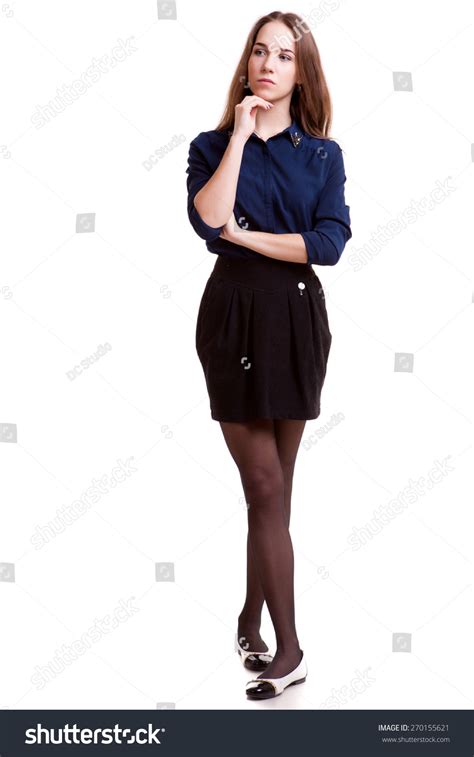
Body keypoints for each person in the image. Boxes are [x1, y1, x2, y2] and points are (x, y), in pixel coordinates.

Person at [185, 11, 352, 700]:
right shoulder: (210, 143)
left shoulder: (322, 155)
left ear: (300, 73)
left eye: (284, 56)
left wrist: (247, 238)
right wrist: (241, 136)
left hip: (297, 321)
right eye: (261, 51)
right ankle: (291, 650)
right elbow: (206, 216)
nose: (268, 64)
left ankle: (250, 616)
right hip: (232, 318)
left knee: (276, 493)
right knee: (264, 488)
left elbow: (330, 242)